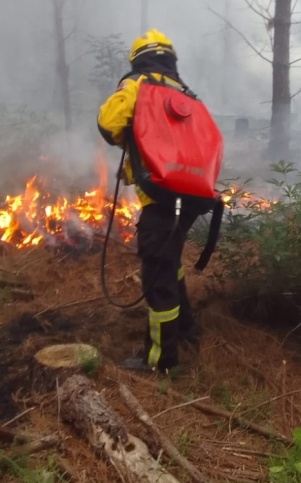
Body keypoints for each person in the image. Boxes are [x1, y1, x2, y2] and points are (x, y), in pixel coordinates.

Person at [97, 29, 202, 373]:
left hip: (160, 196)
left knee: (157, 277)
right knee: (169, 261)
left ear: (138, 59)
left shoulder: (137, 84)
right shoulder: (184, 92)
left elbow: (108, 124)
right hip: (190, 196)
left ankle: (161, 360)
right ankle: (186, 328)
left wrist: (129, 133)